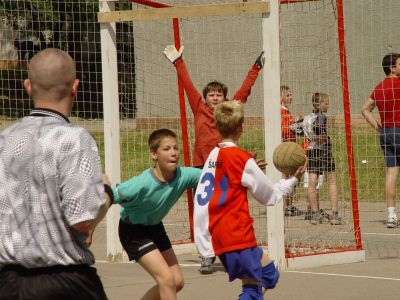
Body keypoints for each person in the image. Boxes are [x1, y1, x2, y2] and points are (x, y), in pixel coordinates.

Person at [0, 48, 112, 299]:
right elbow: (82, 219)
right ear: (75, 86)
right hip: (63, 282)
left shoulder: (4, 139)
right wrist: (107, 194)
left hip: (9, 282)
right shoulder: (74, 139)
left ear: (28, 86)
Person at [163, 44, 265, 273]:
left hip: (225, 165)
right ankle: (206, 255)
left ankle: (234, 249)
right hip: (202, 167)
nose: (215, 98)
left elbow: (244, 91)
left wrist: (256, 68)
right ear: (206, 97)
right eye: (211, 94)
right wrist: (178, 62)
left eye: (219, 94)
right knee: (202, 211)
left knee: (228, 209)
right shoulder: (199, 108)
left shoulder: (229, 109)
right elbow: (187, 86)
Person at [194, 100, 306, 300]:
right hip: (237, 235)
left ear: (217, 127)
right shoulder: (241, 159)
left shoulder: (214, 154)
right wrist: (293, 179)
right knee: (252, 293)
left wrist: (250, 169)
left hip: (219, 233)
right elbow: (270, 196)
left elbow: (227, 178)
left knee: (270, 274)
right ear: (241, 127)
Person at [112, 128, 202, 300]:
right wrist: (88, 227)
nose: (173, 153)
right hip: (133, 232)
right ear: (154, 154)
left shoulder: (184, 175)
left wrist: (243, 168)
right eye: (166, 149)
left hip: (155, 228)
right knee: (167, 280)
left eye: (175, 148)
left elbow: (213, 174)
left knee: (177, 282)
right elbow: (109, 196)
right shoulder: (140, 184)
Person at [361, 53, 400, 228]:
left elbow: (365, 110)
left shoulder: (379, 87)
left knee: (391, 173)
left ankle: (391, 215)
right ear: (392, 68)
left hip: (386, 133)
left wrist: (378, 127)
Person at [302, 92, 341, 225]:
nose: (327, 105)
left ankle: (314, 213)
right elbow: (319, 129)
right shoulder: (321, 117)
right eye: (325, 103)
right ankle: (335, 214)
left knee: (312, 179)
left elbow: (297, 129)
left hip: (311, 149)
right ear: (317, 105)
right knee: (332, 180)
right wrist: (324, 137)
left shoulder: (306, 118)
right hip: (323, 149)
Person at [280, 85, 304, 217]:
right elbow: (283, 130)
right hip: (286, 149)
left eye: (291, 95)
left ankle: (289, 204)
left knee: (292, 177)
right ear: (280, 97)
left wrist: (298, 125)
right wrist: (293, 124)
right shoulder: (281, 111)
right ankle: (285, 206)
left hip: (292, 147)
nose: (291, 97)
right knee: (287, 177)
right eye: (288, 95)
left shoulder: (287, 111)